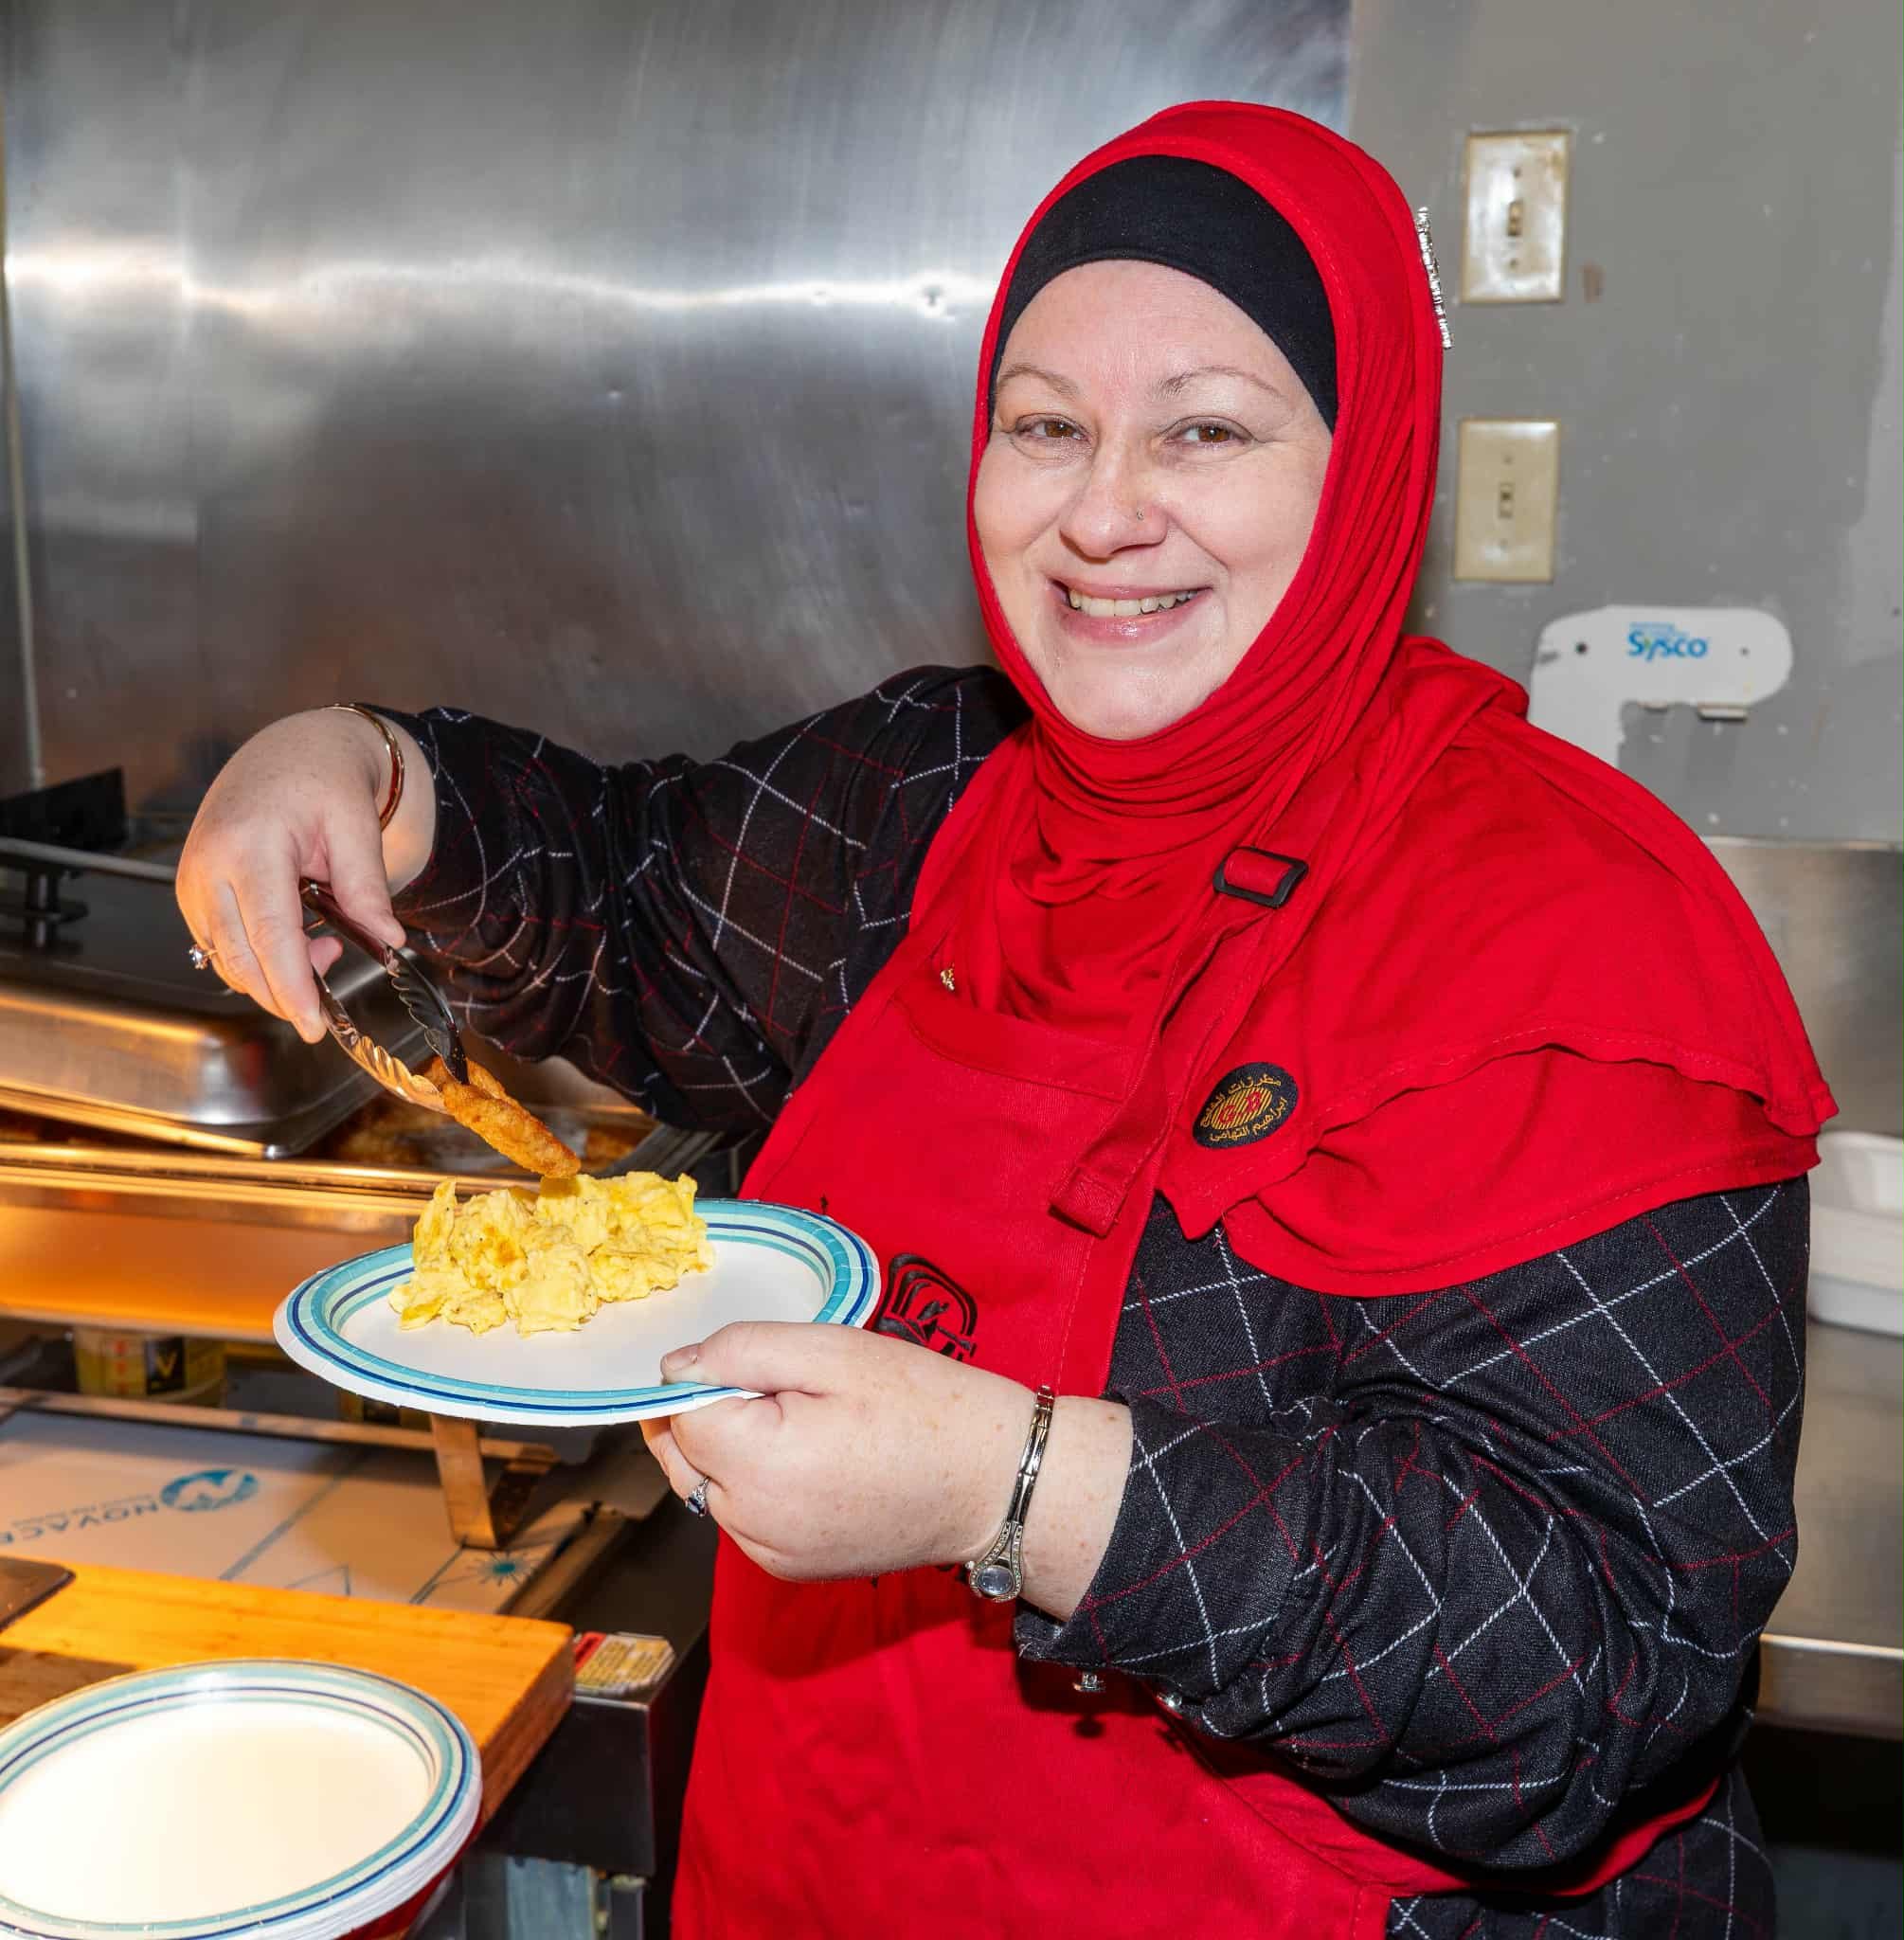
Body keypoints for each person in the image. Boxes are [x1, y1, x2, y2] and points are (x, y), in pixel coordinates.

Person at [179, 103, 1834, 1937]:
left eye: (1203, 427)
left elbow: (1597, 1662)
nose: (1105, 508)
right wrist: (373, 775)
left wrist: (1016, 1487)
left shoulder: (1574, 932)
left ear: (1366, 472)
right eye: (1046, 426)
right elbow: (638, 898)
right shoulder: (929, 791)